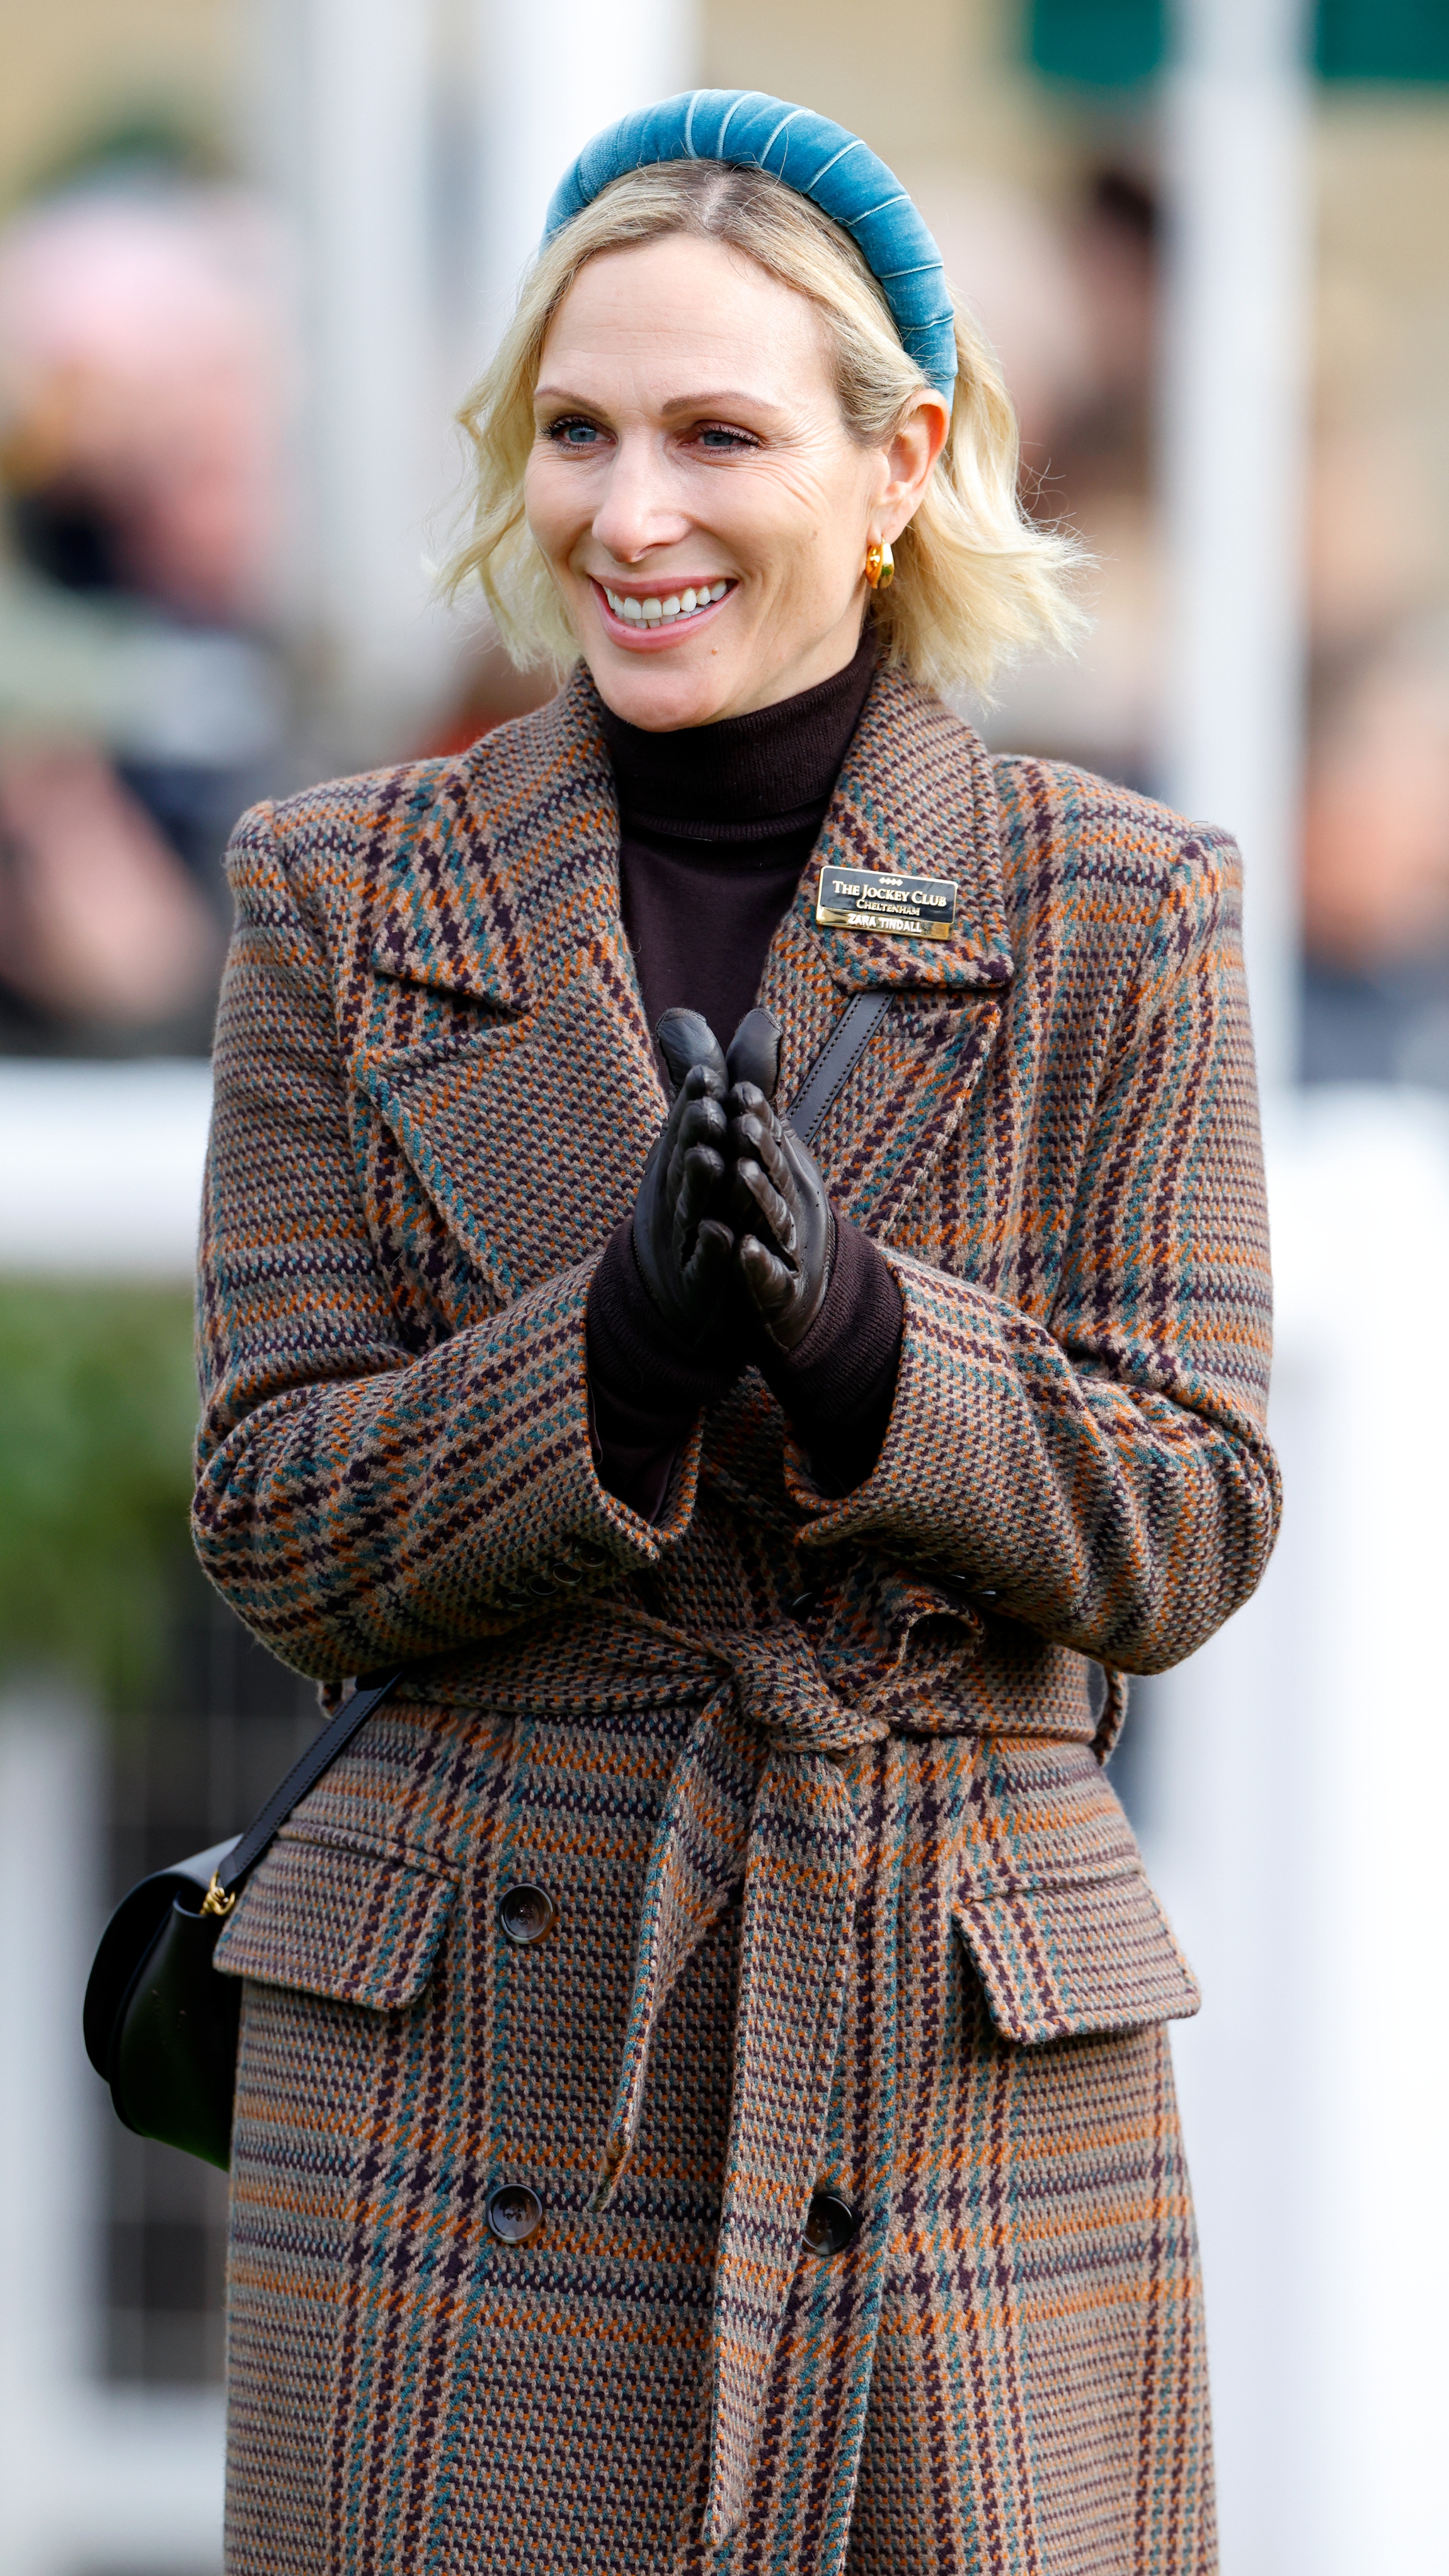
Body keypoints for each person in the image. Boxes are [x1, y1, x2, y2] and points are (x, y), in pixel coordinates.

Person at [193, 91, 1280, 2576]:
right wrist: (610, 1347)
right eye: (573, 432)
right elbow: (274, 1516)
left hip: (945, 2054)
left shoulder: (1118, 909)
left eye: (713, 433)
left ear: (895, 460)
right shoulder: (345, 893)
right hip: (470, 2043)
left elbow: (1189, 1516)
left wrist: (852, 1331)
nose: (626, 511)